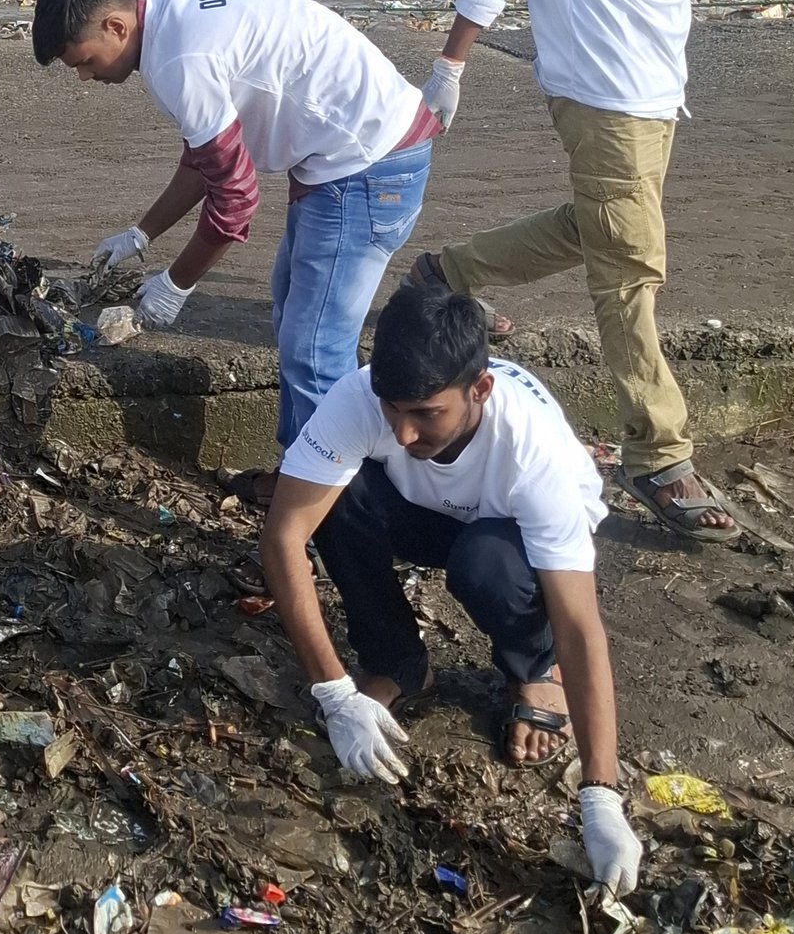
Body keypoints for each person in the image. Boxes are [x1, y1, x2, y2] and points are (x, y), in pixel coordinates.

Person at [412, 0, 745, 543]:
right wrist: (451, 62)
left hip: (658, 81)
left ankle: (445, 276)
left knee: (600, 227)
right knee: (631, 264)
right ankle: (657, 455)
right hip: (598, 88)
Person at [259, 283, 641, 895]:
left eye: (426, 413)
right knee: (334, 502)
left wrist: (601, 795)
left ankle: (533, 668)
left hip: (509, 543)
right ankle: (399, 663)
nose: (405, 434)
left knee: (484, 564)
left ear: (479, 389)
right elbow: (282, 537)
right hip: (426, 510)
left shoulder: (536, 456)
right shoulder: (359, 398)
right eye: (393, 411)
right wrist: (333, 693)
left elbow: (579, 622)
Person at [32, 0, 439, 476]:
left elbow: (236, 197)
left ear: (115, 27)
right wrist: (142, 233)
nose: (85, 77)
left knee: (315, 352)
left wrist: (175, 285)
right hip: (348, 156)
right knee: (294, 320)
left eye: (85, 62)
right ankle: (300, 471)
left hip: (368, 166)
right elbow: (205, 158)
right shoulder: (170, 17)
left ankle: (335, 510)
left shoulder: (181, 59)